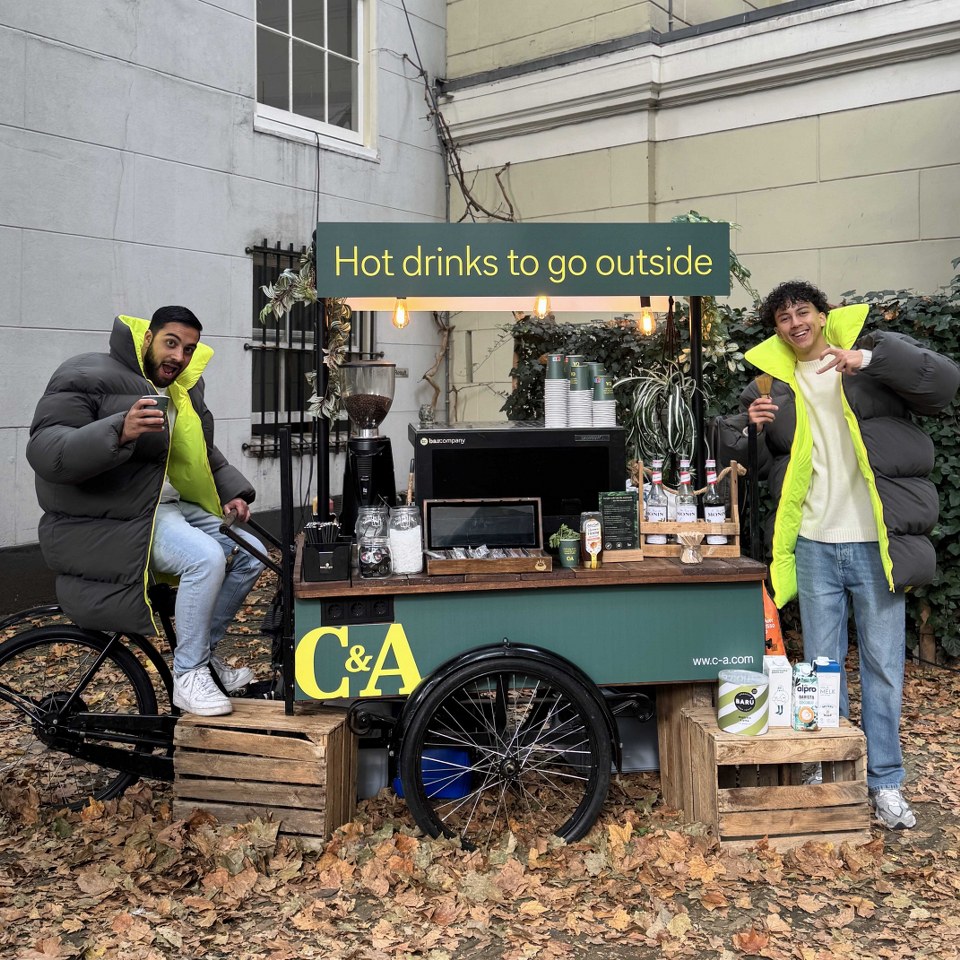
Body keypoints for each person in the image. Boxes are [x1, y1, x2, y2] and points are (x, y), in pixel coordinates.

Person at [723, 280, 959, 830]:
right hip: (813, 544)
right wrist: (745, 428)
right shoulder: (771, 383)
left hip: (876, 542)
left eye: (802, 312)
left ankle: (886, 784)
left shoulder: (872, 357)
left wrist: (869, 357)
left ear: (824, 316)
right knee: (819, 670)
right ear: (777, 329)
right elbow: (737, 459)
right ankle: (827, 770)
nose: (794, 323)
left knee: (882, 668)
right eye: (783, 318)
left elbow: (945, 383)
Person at [27, 306, 265, 717]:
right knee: (205, 559)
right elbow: (46, 450)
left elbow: (199, 453)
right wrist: (117, 430)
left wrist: (229, 491)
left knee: (251, 553)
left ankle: (201, 656)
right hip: (117, 516)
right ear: (146, 339)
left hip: (167, 506)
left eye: (188, 349)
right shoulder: (86, 373)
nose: (179, 357)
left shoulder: (183, 388)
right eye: (170, 343)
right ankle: (189, 675)